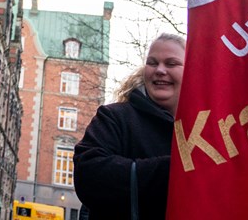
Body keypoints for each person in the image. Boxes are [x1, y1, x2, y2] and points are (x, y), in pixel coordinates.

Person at [73, 33, 186, 220]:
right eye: (152, 62)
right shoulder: (114, 117)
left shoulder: (208, 128)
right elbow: (89, 174)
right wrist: (176, 170)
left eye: (171, 63)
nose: (160, 70)